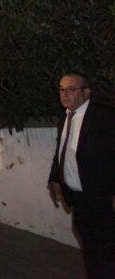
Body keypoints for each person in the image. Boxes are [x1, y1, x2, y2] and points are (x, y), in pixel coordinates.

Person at [48, 72, 115, 278]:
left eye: (71, 89)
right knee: (90, 249)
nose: (65, 94)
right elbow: (62, 150)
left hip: (102, 198)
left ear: (86, 93)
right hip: (79, 198)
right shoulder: (67, 117)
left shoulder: (104, 116)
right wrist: (55, 178)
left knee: (108, 251)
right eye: (61, 89)